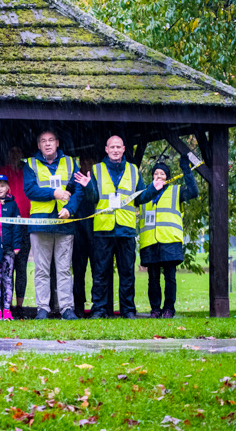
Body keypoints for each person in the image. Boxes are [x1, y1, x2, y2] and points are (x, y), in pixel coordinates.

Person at [79, 135, 160, 319]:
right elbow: (93, 199)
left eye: (118, 147)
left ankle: (128, 310)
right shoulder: (97, 169)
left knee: (127, 274)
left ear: (124, 149)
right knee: (100, 274)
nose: (115, 150)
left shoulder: (133, 170)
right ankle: (99, 310)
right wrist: (87, 187)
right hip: (103, 230)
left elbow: (139, 198)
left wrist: (152, 189)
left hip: (126, 229)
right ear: (106, 149)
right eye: (112, 147)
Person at [23, 130, 84, 321]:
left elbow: (79, 189)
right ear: (38, 145)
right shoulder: (30, 164)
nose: (47, 144)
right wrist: (53, 193)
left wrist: (70, 209)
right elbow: (30, 190)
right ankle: (43, 308)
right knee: (41, 269)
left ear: (57, 143)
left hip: (64, 224)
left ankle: (67, 308)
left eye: (51, 140)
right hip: (40, 225)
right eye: (43, 141)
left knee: (64, 269)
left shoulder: (71, 163)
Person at [139, 157, 198, 318]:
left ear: (167, 177)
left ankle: (169, 308)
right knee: (153, 278)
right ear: (152, 177)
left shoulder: (176, 191)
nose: (158, 175)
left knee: (170, 277)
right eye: (156, 173)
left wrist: (186, 169)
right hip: (150, 241)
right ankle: (155, 309)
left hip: (169, 240)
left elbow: (193, 192)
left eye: (162, 173)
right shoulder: (145, 194)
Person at [0, 145, 30, 315]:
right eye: (12, 151)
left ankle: (19, 305)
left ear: (22, 154)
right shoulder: (1, 171)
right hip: (4, 227)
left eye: (18, 151)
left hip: (25, 224)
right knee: (2, 267)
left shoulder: (28, 171)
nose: (15, 154)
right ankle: (2, 304)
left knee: (21, 266)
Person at [0, 175, 20, 321]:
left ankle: (7, 309)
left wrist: (17, 245)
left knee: (7, 279)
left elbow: (16, 226)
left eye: (2, 185)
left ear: (7, 187)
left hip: (8, 249)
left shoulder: (13, 205)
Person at [71, 155, 97, 316]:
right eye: (84, 161)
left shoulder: (97, 179)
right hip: (78, 230)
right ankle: (79, 305)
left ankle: (98, 304)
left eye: (90, 161)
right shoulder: (74, 179)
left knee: (97, 270)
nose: (87, 164)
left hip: (96, 230)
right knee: (78, 271)